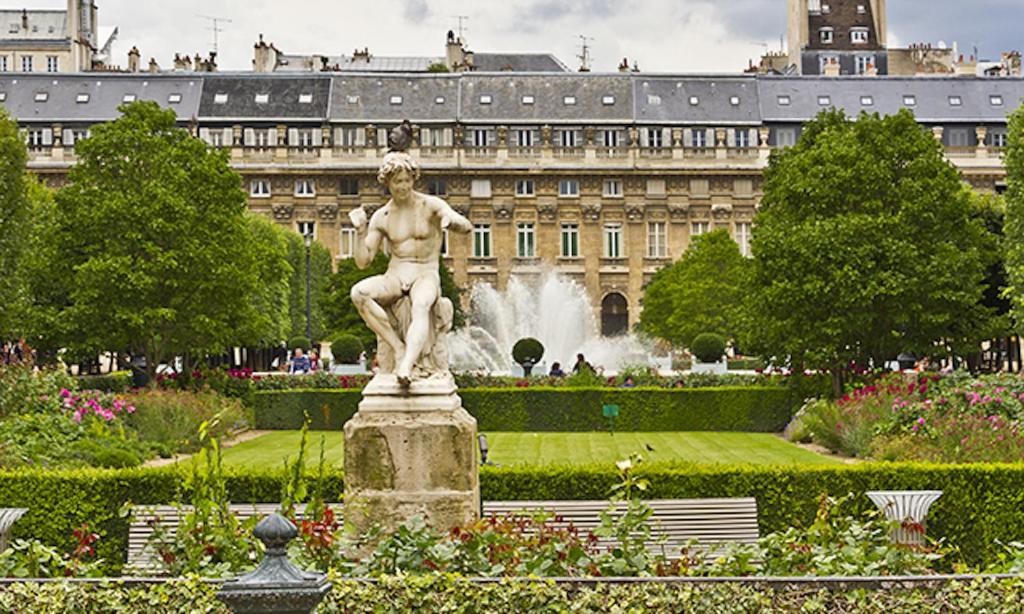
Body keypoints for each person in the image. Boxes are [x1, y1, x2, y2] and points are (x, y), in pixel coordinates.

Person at [349, 145, 472, 386]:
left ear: (413, 179)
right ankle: (398, 348)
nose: (403, 186)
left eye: (407, 180)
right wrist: (360, 231)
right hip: (395, 275)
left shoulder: (430, 205)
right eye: (398, 182)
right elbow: (363, 262)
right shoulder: (382, 216)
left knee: (421, 304)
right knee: (359, 293)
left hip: (425, 273)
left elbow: (466, 226)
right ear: (387, 183)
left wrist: (451, 221)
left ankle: (407, 364)